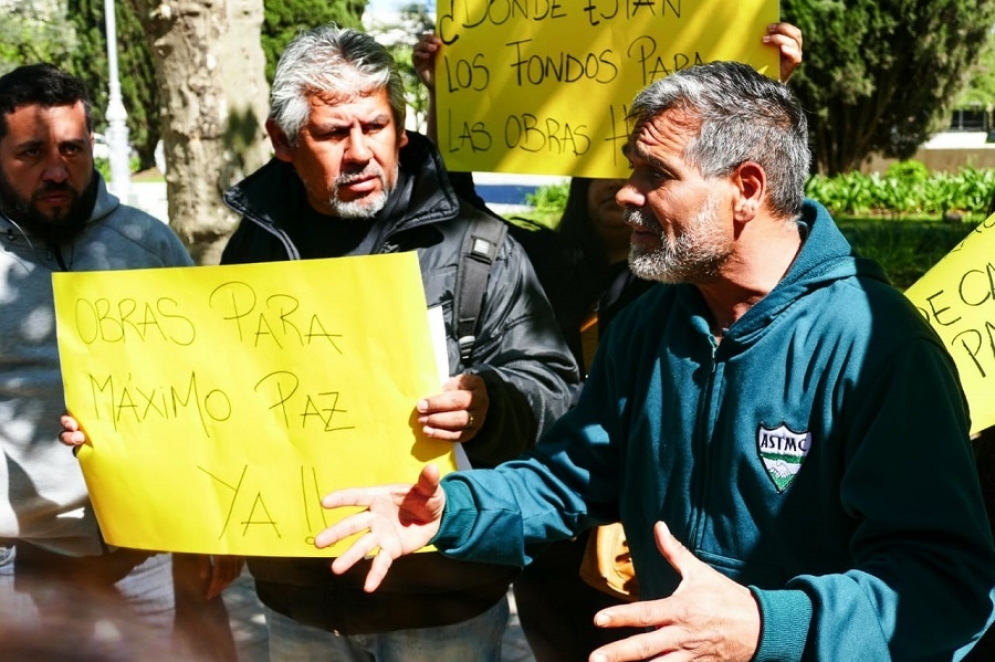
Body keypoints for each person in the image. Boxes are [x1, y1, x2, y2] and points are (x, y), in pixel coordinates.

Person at [314, 61, 995, 661]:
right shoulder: (647, 325)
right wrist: (452, 511)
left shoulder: (877, 348)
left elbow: (944, 586)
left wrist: (765, 625)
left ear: (747, 188)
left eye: (654, 175)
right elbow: (567, 480)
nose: (625, 194)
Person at [412, 24, 803, 662]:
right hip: (562, 550)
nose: (622, 192)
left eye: (653, 174)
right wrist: (446, 102)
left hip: (669, 563)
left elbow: (766, 231)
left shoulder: (704, 295)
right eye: (612, 171)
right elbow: (457, 214)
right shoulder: (544, 267)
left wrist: (771, 93)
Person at [216, 24, 579, 662]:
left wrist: (491, 403)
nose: (359, 152)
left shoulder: (479, 246)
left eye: (376, 126)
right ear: (281, 142)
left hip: (442, 602)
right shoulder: (253, 250)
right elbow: (215, 394)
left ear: (401, 129)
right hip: (299, 601)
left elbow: (557, 390)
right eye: (332, 133)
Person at [1, 63, 239, 660]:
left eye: (73, 149)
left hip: (144, 557)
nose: (58, 170)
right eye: (32, 152)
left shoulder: (149, 245)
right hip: (12, 563)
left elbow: (210, 390)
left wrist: (225, 525)